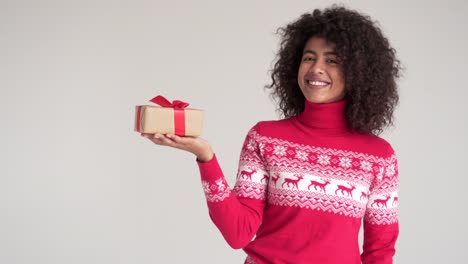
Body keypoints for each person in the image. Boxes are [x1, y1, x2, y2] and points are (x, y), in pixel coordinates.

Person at [142, 5, 401, 264]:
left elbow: (380, 251)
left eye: (332, 60)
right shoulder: (265, 138)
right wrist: (206, 158)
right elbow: (238, 234)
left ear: (358, 72)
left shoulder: (379, 157)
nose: (316, 68)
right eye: (309, 57)